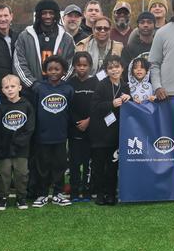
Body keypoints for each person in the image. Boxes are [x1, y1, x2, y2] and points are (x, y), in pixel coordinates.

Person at [30, 55, 74, 207]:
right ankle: (42, 193)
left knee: (59, 165)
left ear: (63, 71)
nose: (53, 72)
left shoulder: (68, 89)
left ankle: (58, 193)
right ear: (45, 71)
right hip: (42, 136)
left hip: (60, 136)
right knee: (42, 165)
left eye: (57, 69)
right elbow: (34, 111)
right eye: (50, 69)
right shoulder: (39, 88)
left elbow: (70, 112)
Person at [89, 55, 130, 205]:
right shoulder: (101, 85)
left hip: (116, 134)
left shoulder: (125, 86)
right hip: (100, 134)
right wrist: (111, 104)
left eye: (117, 67)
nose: (114, 70)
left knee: (113, 166)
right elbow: (94, 108)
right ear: (106, 70)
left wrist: (129, 98)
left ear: (122, 68)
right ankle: (100, 194)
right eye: (111, 68)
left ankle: (111, 194)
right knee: (99, 166)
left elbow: (130, 108)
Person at [13, 0, 76, 96]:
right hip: (31, 92)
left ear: (56, 15)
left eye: (51, 13)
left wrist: (58, 83)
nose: (48, 16)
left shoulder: (67, 39)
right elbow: (19, 64)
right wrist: (34, 84)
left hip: (58, 92)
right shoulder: (25, 36)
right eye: (44, 13)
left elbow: (71, 65)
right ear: (38, 15)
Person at [0, 74, 35, 210]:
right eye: (6, 87)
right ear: (2, 90)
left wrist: (20, 141)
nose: (10, 89)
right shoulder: (1, 107)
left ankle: (21, 197)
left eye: (13, 86)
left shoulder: (27, 105)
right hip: (4, 148)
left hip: (21, 149)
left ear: (19, 88)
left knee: (21, 173)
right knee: (4, 173)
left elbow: (30, 127)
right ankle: (2, 198)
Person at [67, 52, 96, 201]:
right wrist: (77, 122)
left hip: (91, 130)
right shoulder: (70, 84)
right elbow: (68, 107)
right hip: (74, 130)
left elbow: (97, 106)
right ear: (74, 67)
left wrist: (89, 121)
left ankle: (87, 191)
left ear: (90, 66)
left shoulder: (96, 83)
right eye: (79, 65)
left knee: (88, 162)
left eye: (85, 65)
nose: (82, 68)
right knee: (74, 163)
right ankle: (74, 191)